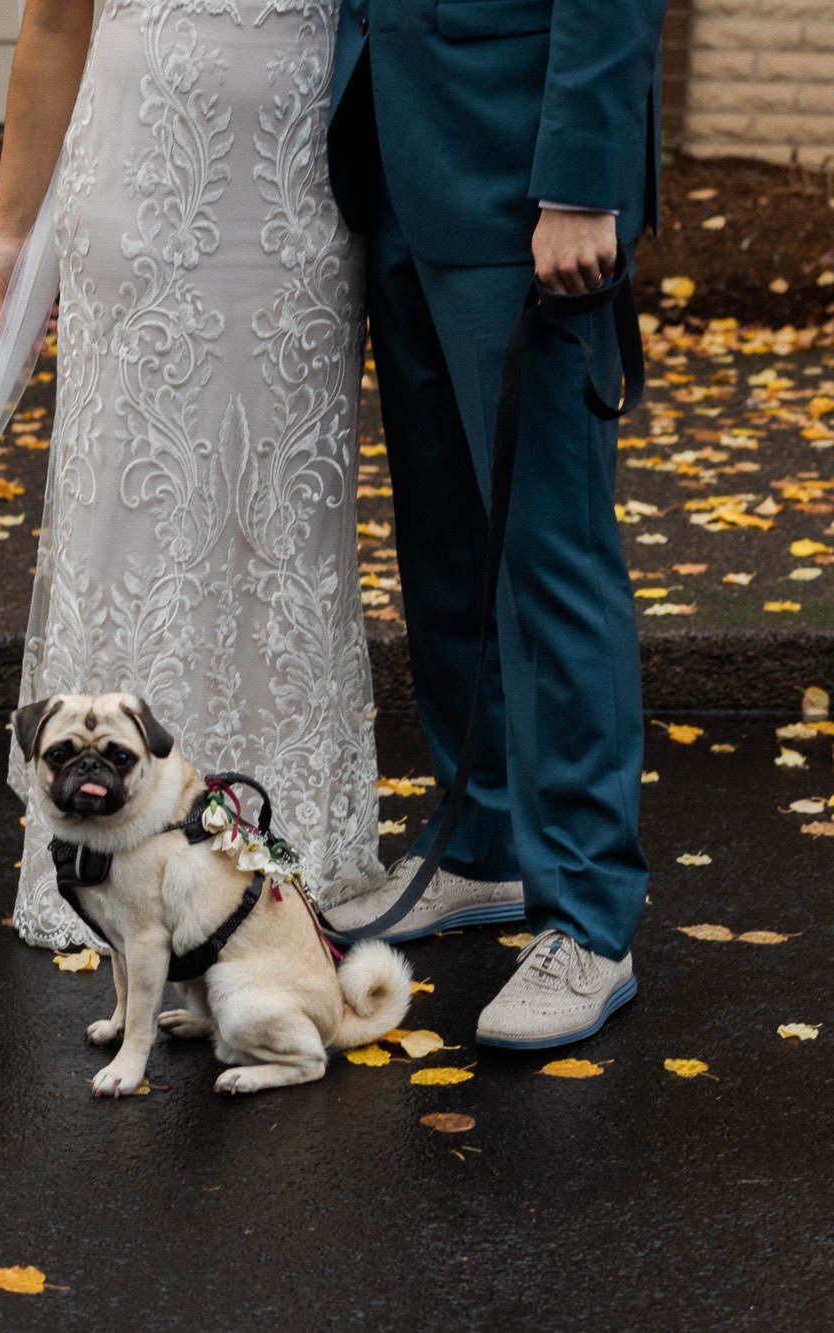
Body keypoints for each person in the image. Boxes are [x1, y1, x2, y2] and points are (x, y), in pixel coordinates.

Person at [0, 0, 385, 951]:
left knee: (284, 517)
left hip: (302, 207)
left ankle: (285, 850)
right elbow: (51, 26)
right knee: (135, 508)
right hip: (142, 190)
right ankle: (112, 849)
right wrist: (12, 228)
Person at [313, 0, 665, 1049]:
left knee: (546, 556)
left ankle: (590, 919)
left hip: (523, 177)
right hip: (397, 164)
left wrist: (578, 181)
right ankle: (482, 848)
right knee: (443, 544)